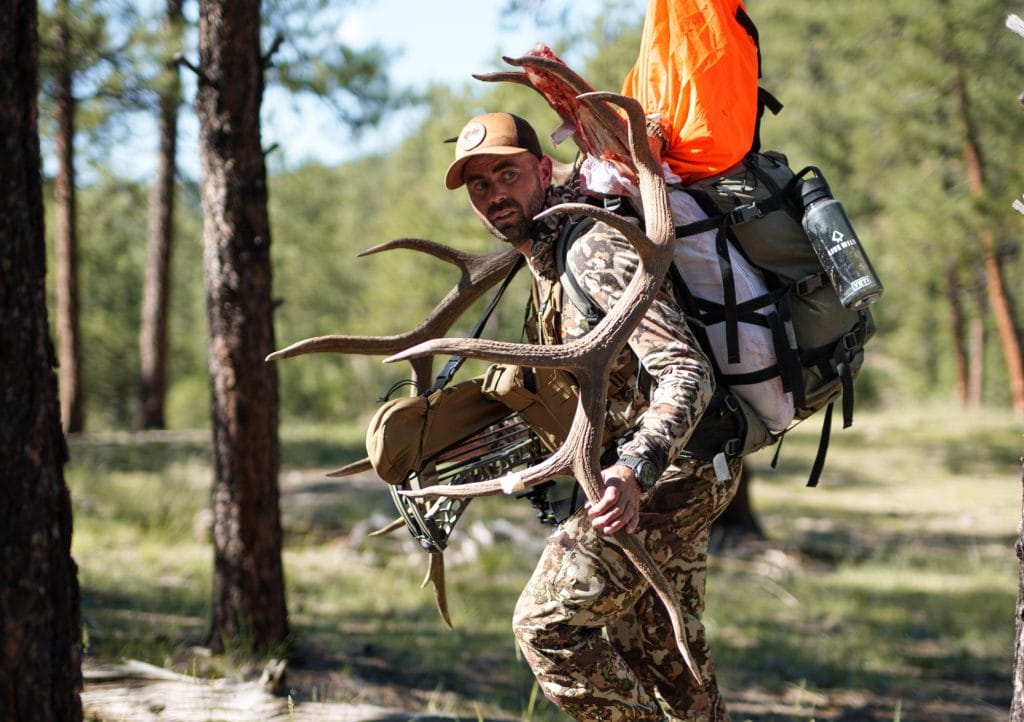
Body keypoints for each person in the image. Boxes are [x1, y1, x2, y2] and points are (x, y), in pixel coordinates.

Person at [443, 110, 742, 721]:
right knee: (663, 653)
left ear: (543, 170)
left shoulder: (591, 248)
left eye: (508, 174)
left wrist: (633, 468)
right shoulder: (541, 264)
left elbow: (687, 370)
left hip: (666, 473)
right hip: (680, 468)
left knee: (546, 626)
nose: (496, 194)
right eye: (480, 185)